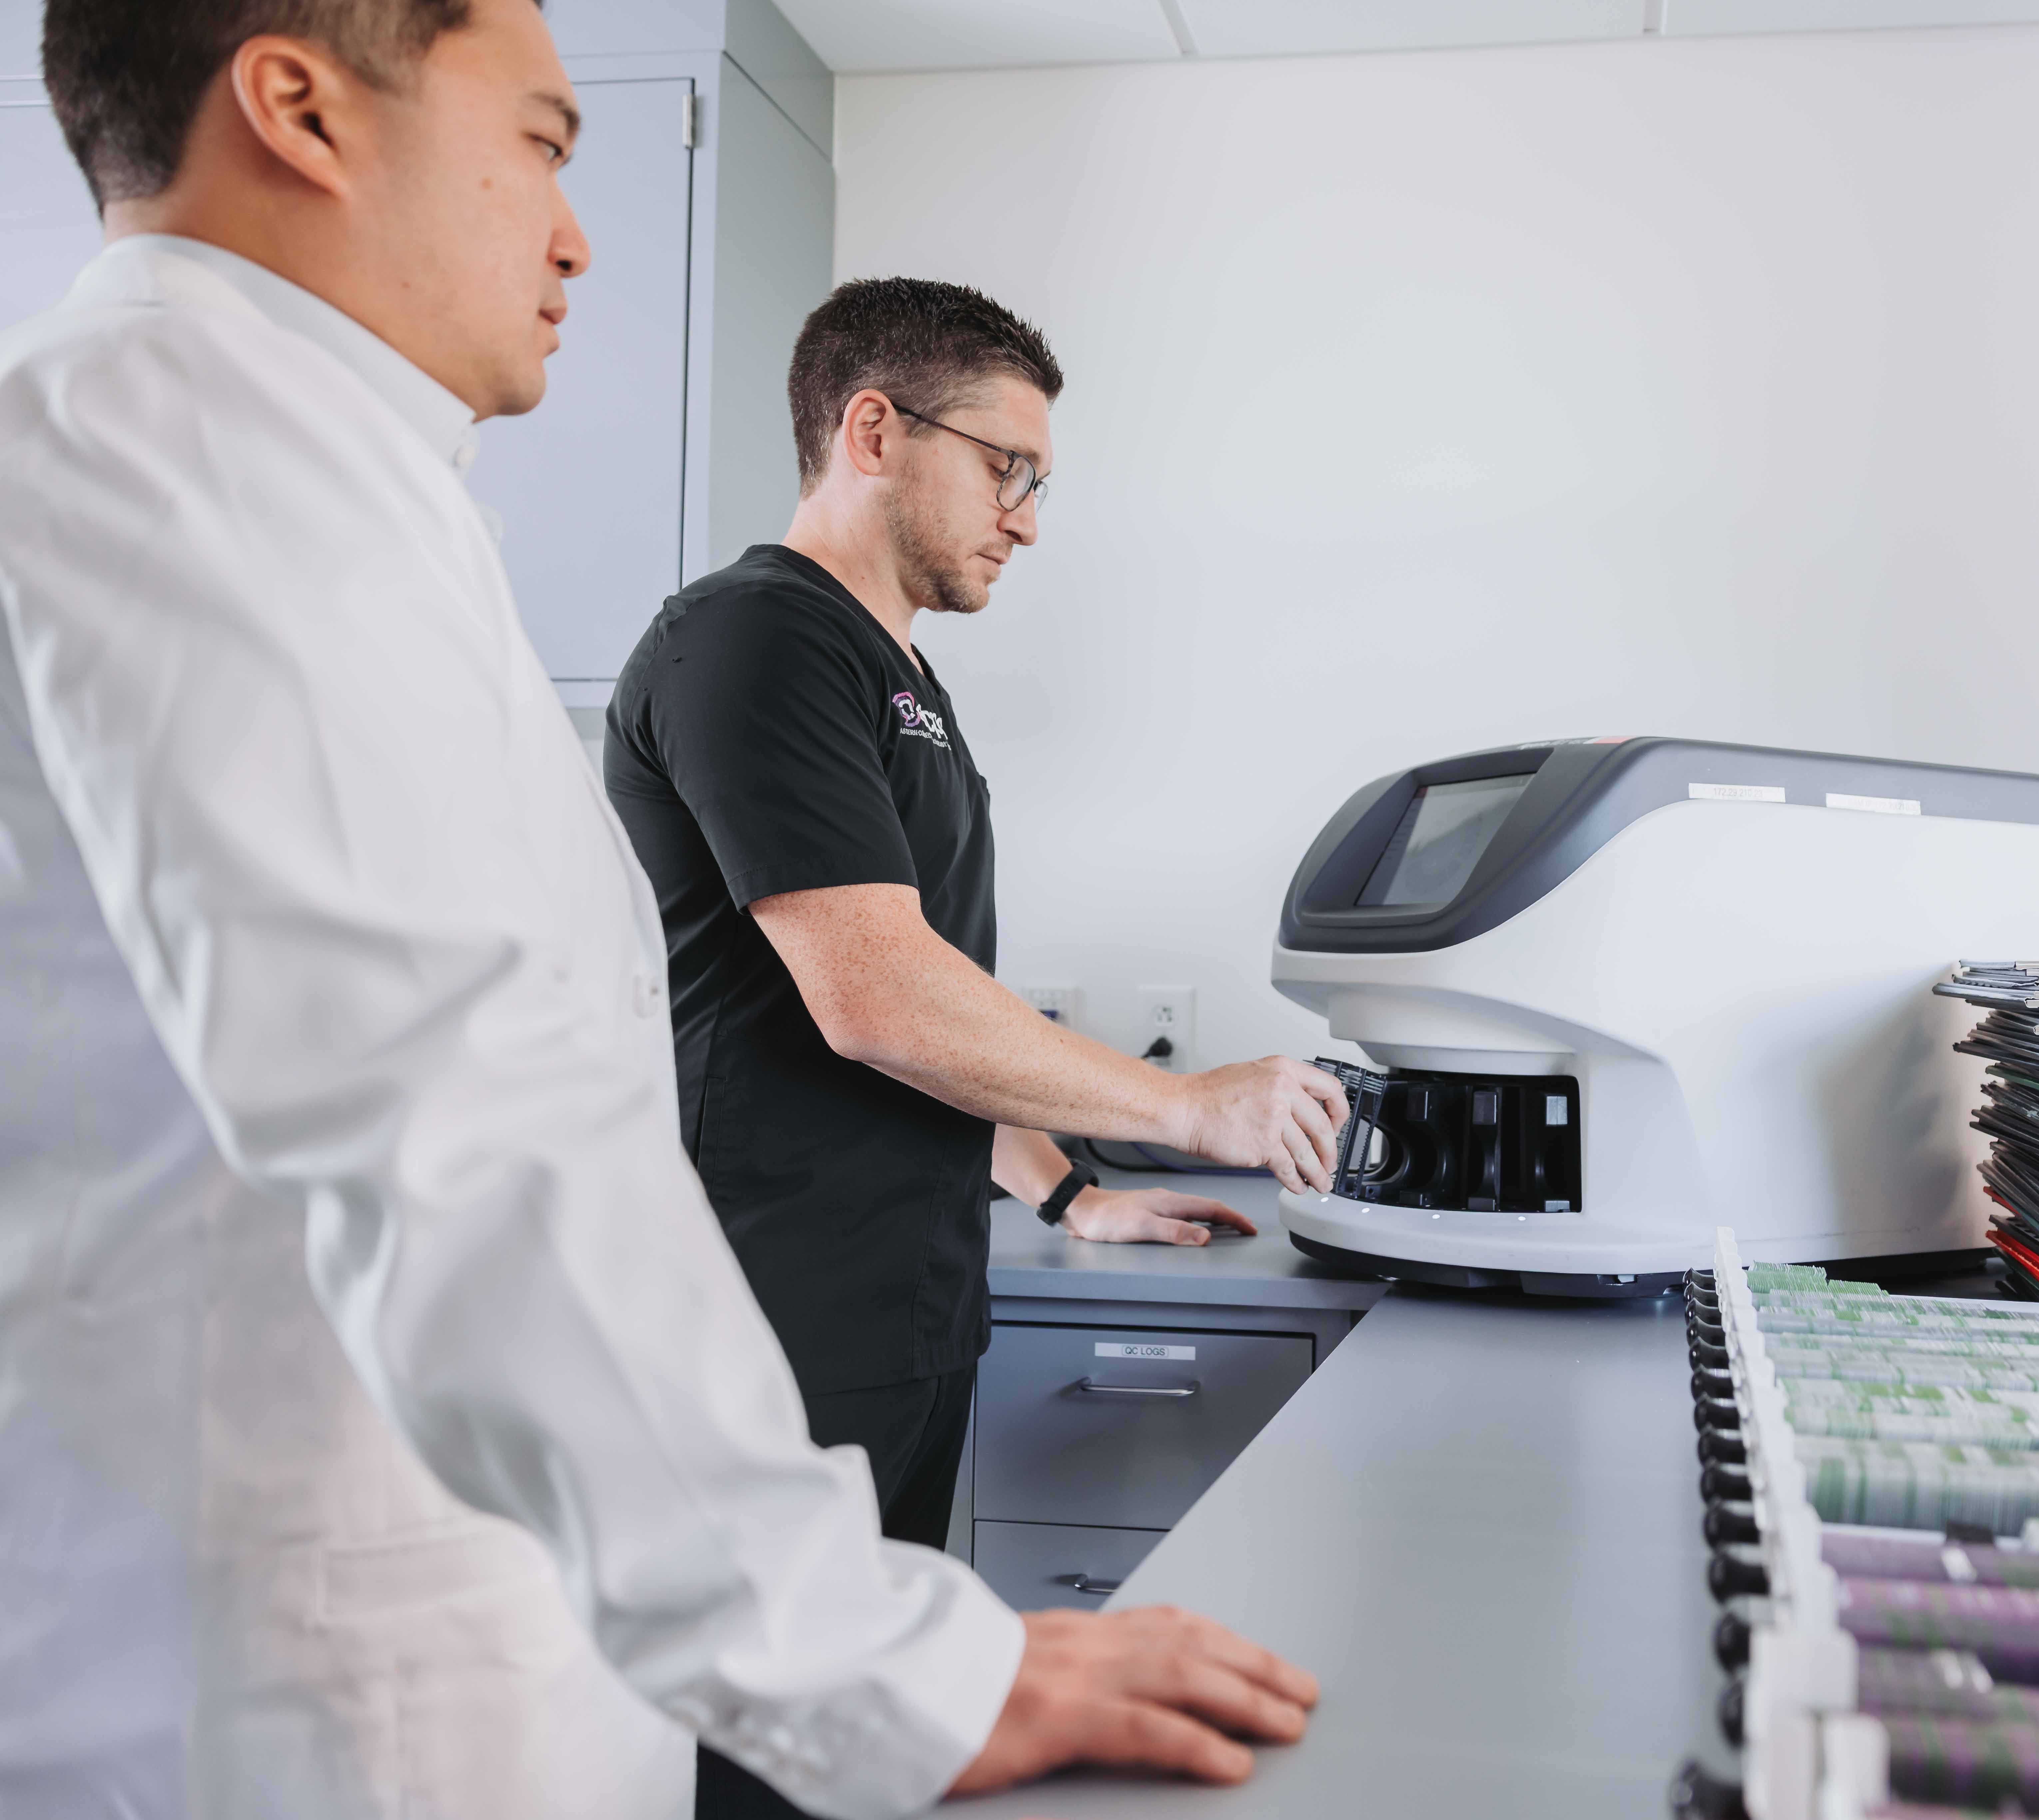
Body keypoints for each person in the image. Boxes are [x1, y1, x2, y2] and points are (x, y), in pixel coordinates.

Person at [0, 2, 1314, 1816]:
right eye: (541, 143)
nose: (577, 230)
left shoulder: (331, 482)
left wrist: (1067, 1176)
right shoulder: (190, 456)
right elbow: (463, 1128)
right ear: (301, 109)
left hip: (447, 1577)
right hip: (281, 1684)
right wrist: (883, 1658)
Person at [602, 279, 1352, 1815]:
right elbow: (871, 995)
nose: (1026, 516)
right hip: (768, 1316)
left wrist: (1071, 1191)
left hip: (903, 1305)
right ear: (873, 429)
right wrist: (1187, 1108)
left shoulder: (902, 681)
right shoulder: (752, 637)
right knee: (766, 1764)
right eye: (1006, 467)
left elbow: (932, 997)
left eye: (1040, 483)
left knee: (873, 1752)